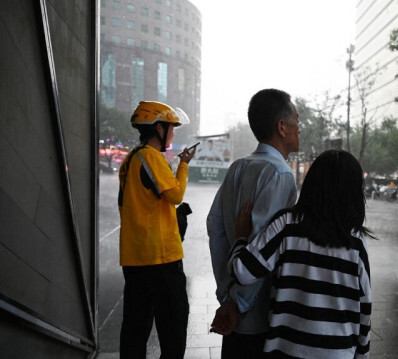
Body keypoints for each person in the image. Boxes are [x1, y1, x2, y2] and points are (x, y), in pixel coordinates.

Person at [228, 149, 373, 358]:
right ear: (354, 194)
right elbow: (365, 307)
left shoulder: (286, 224)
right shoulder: (357, 242)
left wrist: (240, 239)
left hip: (285, 351)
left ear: (311, 184)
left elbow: (242, 272)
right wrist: (362, 355)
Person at [207, 89, 300, 358]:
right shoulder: (281, 174)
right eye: (296, 119)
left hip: (232, 309)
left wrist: (227, 294)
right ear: (282, 127)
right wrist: (237, 305)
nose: (299, 127)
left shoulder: (238, 166)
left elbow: (217, 230)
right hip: (257, 315)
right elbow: (262, 251)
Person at [118, 101, 196, 358]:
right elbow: (175, 194)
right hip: (160, 259)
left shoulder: (130, 160)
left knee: (135, 328)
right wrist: (184, 165)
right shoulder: (150, 157)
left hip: (135, 258)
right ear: (159, 128)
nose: (173, 134)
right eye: (171, 128)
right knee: (173, 326)